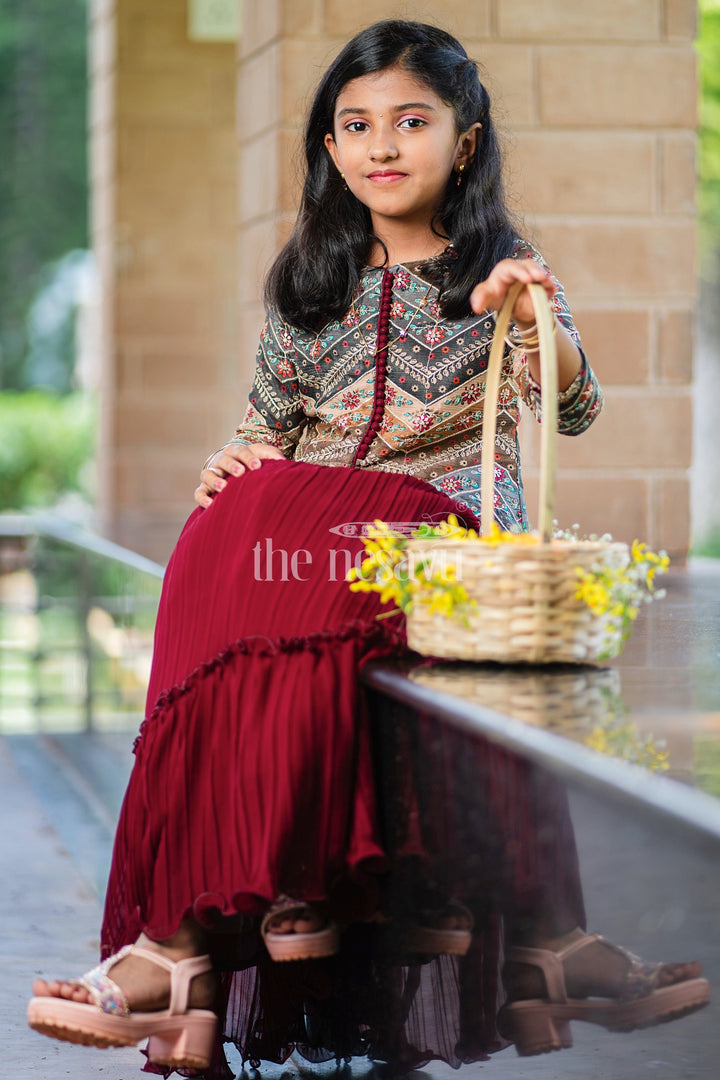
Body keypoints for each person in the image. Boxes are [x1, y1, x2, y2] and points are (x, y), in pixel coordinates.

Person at [27, 19, 708, 1079]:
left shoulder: (505, 270)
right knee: (221, 531)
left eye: (411, 122)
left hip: (434, 542)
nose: (381, 146)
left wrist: (532, 318)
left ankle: (184, 958)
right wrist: (231, 464)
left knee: (310, 536)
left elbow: (574, 406)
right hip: (312, 546)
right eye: (355, 125)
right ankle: (214, 927)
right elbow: (269, 425)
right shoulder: (309, 280)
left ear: (465, 141)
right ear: (330, 147)